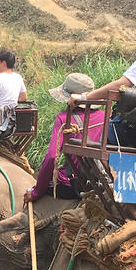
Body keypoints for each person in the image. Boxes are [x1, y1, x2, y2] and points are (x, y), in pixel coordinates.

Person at [25, 73, 103, 203]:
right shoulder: (105, 116)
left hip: (76, 185)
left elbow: (51, 157)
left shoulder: (64, 118)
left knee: (48, 181)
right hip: (101, 180)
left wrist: (36, 191)